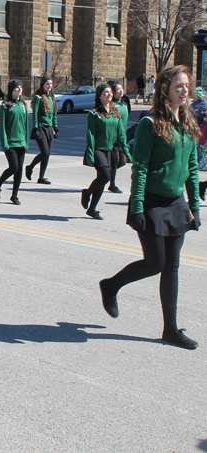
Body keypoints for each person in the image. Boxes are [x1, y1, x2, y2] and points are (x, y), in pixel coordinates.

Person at [99, 65, 201, 350]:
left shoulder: (188, 122)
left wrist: (195, 206)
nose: (184, 91)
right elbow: (140, 167)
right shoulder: (150, 123)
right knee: (155, 262)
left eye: (186, 86)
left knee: (172, 266)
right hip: (152, 202)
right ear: (165, 88)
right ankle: (111, 285)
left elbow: (192, 167)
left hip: (176, 203)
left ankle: (170, 330)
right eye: (178, 86)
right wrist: (139, 207)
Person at [81, 83, 130, 220]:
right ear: (100, 96)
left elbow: (121, 135)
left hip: (109, 150)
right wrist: (90, 153)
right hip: (97, 149)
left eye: (110, 92)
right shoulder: (94, 113)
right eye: (106, 93)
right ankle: (87, 192)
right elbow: (90, 134)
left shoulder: (115, 112)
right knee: (105, 176)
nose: (109, 94)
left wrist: (126, 152)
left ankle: (92, 209)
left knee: (102, 178)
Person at [0, 80, 29, 205]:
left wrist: (26, 142)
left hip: (21, 142)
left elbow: (25, 125)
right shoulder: (5, 105)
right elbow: (2, 126)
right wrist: (4, 143)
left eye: (20, 88)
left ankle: (14, 195)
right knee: (14, 167)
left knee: (19, 170)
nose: (19, 90)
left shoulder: (23, 106)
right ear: (11, 91)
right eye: (16, 88)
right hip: (10, 143)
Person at [25, 76, 58, 184]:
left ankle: (41, 177)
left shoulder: (52, 98)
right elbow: (35, 114)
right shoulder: (38, 98)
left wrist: (55, 127)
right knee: (44, 152)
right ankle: (30, 167)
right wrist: (35, 127)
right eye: (47, 84)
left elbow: (54, 114)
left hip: (49, 128)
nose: (49, 86)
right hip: (41, 127)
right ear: (43, 85)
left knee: (47, 154)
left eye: (50, 84)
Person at [107, 81, 130, 194]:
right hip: (114, 139)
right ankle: (112, 184)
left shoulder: (124, 105)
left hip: (122, 137)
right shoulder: (112, 105)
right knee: (115, 162)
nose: (121, 91)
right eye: (118, 90)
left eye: (122, 89)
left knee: (122, 162)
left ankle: (108, 170)